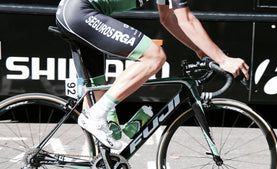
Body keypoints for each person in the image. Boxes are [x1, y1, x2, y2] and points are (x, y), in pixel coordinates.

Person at [56, 0, 249, 150]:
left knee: (97, 102)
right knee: (154, 56)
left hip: (77, 13)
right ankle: (95, 117)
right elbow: (186, 20)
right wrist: (223, 59)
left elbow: (167, 18)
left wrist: (200, 50)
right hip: (80, 13)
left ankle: (89, 158)